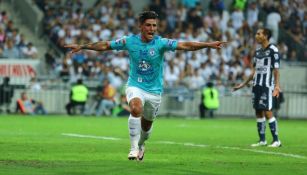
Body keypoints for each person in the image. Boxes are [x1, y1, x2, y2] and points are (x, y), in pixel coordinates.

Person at [64, 11, 227, 161]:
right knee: (135, 108)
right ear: (141, 26)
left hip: (155, 91)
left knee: (146, 128)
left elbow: (186, 46)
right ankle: (133, 148)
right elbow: (106, 45)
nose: (152, 28)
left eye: (154, 25)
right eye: (148, 25)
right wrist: (83, 46)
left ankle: (141, 144)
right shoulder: (129, 41)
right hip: (135, 85)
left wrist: (208, 44)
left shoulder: (161, 43)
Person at [233, 28, 282, 147]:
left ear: (265, 36)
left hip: (267, 86)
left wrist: (276, 86)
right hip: (256, 85)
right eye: (256, 33)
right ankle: (262, 140)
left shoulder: (273, 50)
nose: (256, 36)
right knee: (258, 112)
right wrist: (243, 84)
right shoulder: (258, 51)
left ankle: (276, 140)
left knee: (268, 112)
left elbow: (276, 70)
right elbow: (253, 72)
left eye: (258, 34)